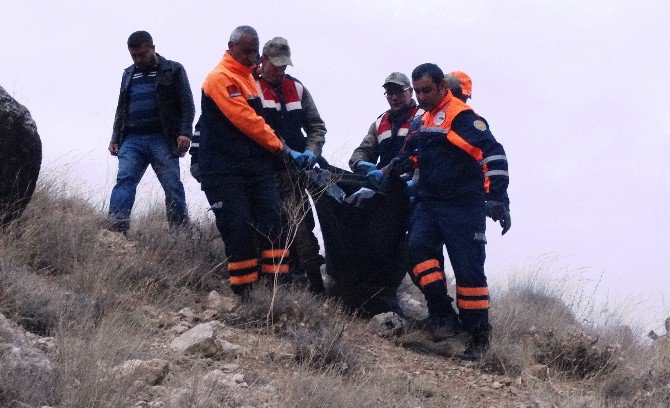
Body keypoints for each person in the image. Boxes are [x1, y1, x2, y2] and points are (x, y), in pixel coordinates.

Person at [400, 63, 511, 359]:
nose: (421, 97)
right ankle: (442, 316)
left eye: (427, 90)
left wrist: (498, 198)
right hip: (430, 204)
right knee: (417, 251)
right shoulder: (424, 119)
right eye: (418, 91)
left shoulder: (460, 116)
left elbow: (493, 153)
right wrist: (392, 170)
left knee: (468, 272)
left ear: (441, 88)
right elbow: (412, 154)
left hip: (463, 207)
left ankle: (477, 340)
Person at [198, 26, 306, 295]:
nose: (251, 56)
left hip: (255, 169)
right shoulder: (220, 78)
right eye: (246, 50)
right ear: (231, 47)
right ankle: (246, 294)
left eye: (254, 51)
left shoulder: (248, 78)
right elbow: (248, 121)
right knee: (238, 227)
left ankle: (278, 287)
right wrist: (281, 148)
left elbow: (262, 121)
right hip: (224, 171)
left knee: (276, 220)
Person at [256, 37, 327, 293]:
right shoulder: (251, 87)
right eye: (275, 65)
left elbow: (316, 126)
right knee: (269, 226)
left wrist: (311, 151)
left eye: (284, 66)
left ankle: (314, 283)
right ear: (262, 59)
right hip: (263, 171)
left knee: (302, 225)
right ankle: (273, 284)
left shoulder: (297, 88)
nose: (280, 71)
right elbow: (257, 128)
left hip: (294, 172)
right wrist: (287, 150)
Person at [107, 31, 194, 234]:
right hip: (132, 139)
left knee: (172, 186)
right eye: (134, 56)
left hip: (162, 139)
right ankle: (115, 231)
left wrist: (185, 133)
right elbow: (122, 108)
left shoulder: (173, 70)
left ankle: (180, 234)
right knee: (125, 180)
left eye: (142, 55)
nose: (138, 59)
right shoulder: (128, 74)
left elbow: (187, 104)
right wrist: (115, 138)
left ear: (152, 48)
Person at [348, 72, 422, 181]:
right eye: (390, 93)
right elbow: (364, 150)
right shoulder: (379, 123)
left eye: (399, 92)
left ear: (410, 91)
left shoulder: (423, 116)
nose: (394, 97)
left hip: (412, 182)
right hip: (383, 183)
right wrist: (359, 163)